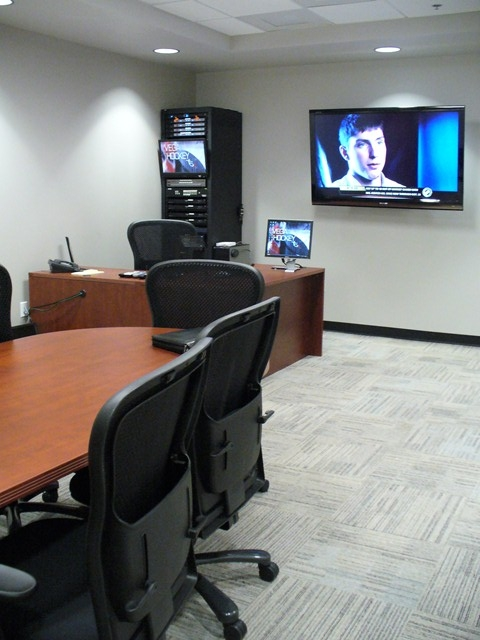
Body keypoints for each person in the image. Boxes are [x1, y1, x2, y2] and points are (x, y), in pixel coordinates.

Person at [331, 114, 404, 187]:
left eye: (379, 142)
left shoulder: (401, 190)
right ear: (345, 153)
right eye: (362, 145)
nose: (374, 154)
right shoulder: (332, 191)